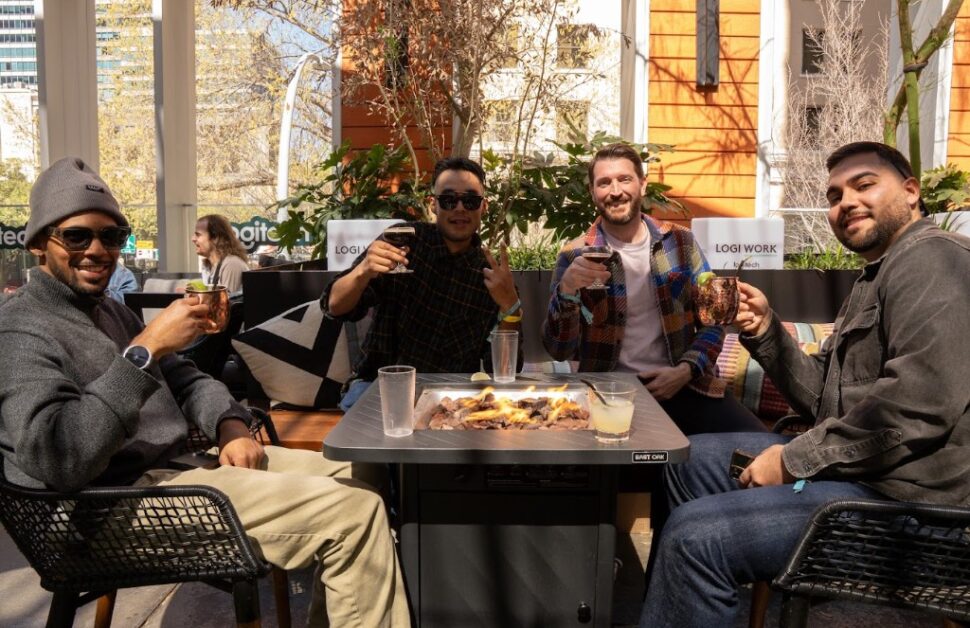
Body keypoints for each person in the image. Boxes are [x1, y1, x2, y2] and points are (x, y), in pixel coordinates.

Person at [0, 157, 410, 627]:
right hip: (99, 512)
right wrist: (144, 349)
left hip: (171, 476)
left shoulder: (109, 311)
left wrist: (230, 423)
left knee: (366, 473)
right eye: (77, 236)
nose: (98, 250)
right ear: (38, 243)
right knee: (354, 513)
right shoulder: (20, 329)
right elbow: (62, 459)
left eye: (111, 236)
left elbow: (188, 379)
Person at [639, 141, 970, 627]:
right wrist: (765, 330)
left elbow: (918, 407)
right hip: (863, 477)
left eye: (864, 185)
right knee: (687, 461)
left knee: (695, 537)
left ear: (911, 191)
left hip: (916, 514)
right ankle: (687, 601)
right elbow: (823, 401)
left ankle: (696, 574)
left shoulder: (935, 261)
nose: (846, 203)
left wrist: (792, 460)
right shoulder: (874, 278)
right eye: (835, 196)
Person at [541, 142, 764, 436]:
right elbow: (558, 350)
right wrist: (568, 290)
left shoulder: (681, 242)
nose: (615, 191)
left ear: (642, 185)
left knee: (757, 443)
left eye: (624, 179)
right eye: (604, 183)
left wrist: (685, 370)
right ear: (593, 193)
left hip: (684, 385)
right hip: (608, 396)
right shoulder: (574, 255)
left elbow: (714, 322)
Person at [324, 156, 521, 410]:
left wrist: (510, 306)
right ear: (433, 205)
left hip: (450, 399)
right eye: (448, 200)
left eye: (470, 201)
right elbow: (334, 306)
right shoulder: (403, 242)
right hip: (379, 387)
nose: (460, 208)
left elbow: (504, 370)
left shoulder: (491, 275)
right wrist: (363, 271)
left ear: (484, 206)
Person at [192, 213, 250, 293]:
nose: (193, 239)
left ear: (215, 238)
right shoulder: (208, 266)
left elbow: (225, 300)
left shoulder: (231, 264)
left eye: (198, 235)